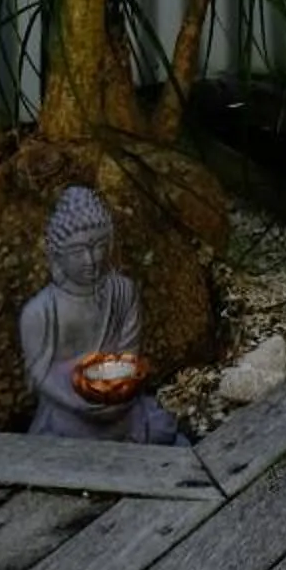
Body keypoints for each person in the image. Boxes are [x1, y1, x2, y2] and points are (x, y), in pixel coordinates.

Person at [18, 182, 181, 444]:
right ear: (56, 255)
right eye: (77, 251)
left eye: (98, 246)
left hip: (118, 400)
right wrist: (80, 403)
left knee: (162, 428)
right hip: (67, 408)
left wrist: (116, 394)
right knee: (59, 442)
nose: (90, 259)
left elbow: (128, 356)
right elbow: (40, 374)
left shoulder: (122, 291)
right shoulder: (39, 312)